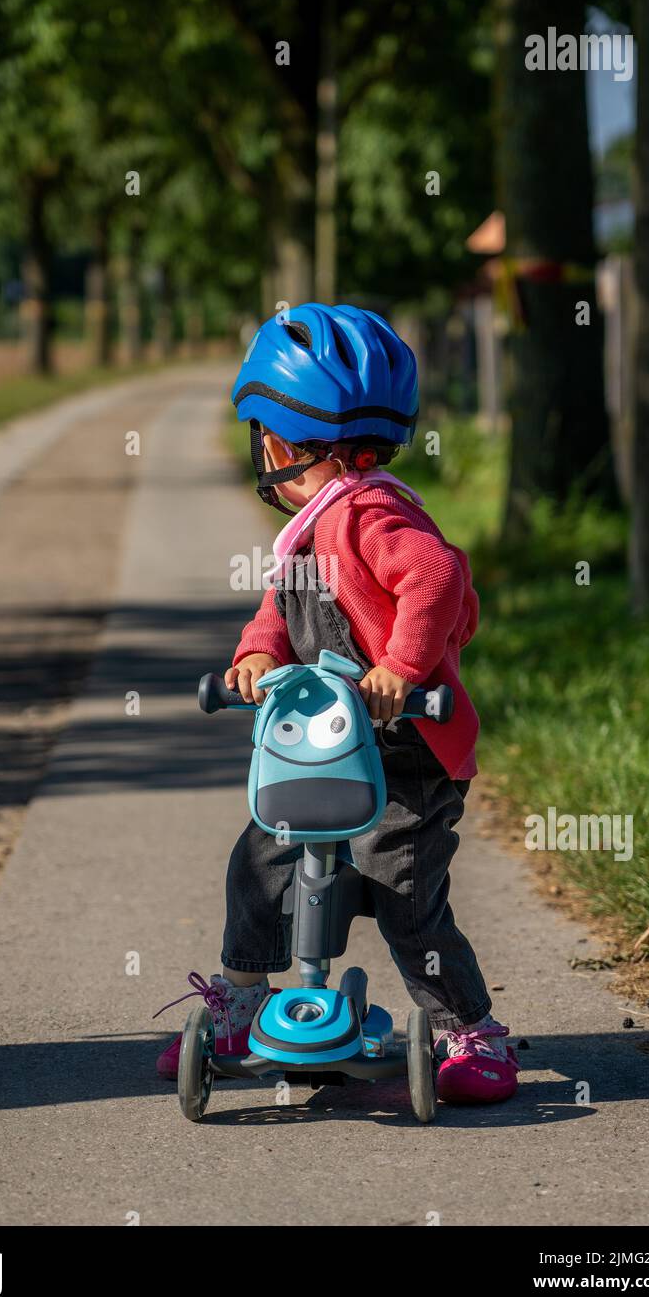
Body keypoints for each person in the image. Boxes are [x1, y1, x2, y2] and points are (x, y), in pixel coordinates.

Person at [155, 304, 519, 1104]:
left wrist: (400, 667)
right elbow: (282, 610)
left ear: (275, 444)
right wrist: (255, 657)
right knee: (261, 864)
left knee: (400, 891)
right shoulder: (314, 532)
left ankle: (469, 1031)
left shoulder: (366, 512)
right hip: (321, 747)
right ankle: (243, 1005)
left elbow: (436, 577)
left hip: (406, 752)